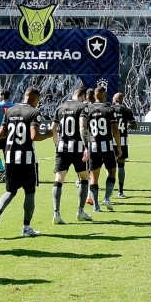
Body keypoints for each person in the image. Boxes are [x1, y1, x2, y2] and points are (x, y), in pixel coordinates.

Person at [0, 87, 54, 238]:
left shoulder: (10, 111)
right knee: (30, 192)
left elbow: (1, 134)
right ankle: (26, 227)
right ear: (34, 99)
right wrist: (48, 134)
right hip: (27, 159)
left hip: (10, 157)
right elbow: (34, 136)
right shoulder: (33, 113)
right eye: (38, 100)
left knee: (10, 191)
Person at [51, 86, 92, 224]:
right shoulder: (82, 107)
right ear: (84, 96)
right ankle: (80, 211)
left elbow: (53, 129)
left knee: (59, 179)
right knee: (84, 177)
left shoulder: (60, 107)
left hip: (62, 147)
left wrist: (57, 144)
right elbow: (82, 127)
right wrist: (87, 146)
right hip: (78, 148)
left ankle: (56, 213)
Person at [84, 86, 121, 213]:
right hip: (107, 146)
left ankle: (95, 206)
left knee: (93, 177)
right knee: (111, 172)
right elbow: (115, 129)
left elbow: (84, 129)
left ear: (95, 96)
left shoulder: (88, 109)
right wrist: (119, 147)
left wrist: (86, 145)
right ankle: (106, 198)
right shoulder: (108, 109)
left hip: (93, 146)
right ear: (105, 96)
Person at [111, 92, 138, 198]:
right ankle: (120, 191)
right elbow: (135, 126)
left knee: (110, 166)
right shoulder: (127, 111)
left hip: (111, 140)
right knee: (121, 165)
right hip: (122, 141)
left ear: (115, 99)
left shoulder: (110, 109)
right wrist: (127, 126)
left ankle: (110, 190)